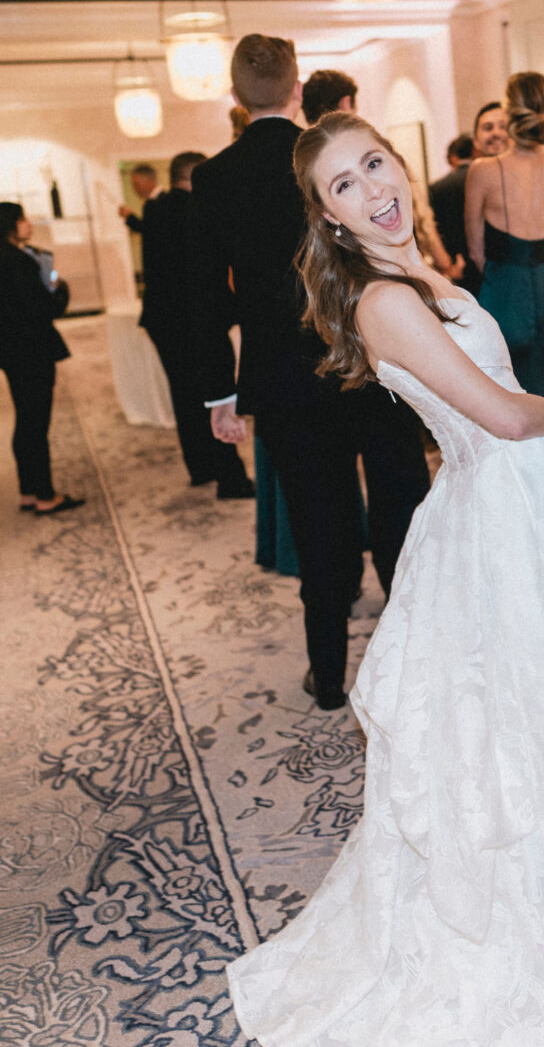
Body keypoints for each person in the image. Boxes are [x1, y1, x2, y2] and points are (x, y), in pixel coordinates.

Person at [226, 112, 544, 1047]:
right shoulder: (382, 300)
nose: (370, 188)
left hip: (524, 498)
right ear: (325, 216)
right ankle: (539, 920)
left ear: (399, 162)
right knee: (519, 726)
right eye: (342, 185)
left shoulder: (423, 274)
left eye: (373, 163)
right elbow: (503, 413)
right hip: (501, 502)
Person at [188, 35, 430, 711]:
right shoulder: (328, 157)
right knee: (400, 512)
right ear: (297, 90)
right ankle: (416, 663)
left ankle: (328, 676)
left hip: (287, 382)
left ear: (235, 98)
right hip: (374, 357)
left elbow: (205, 295)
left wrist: (220, 392)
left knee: (319, 530)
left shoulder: (213, 178)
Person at [139, 152, 253, 499]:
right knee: (213, 391)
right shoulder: (198, 209)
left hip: (161, 318)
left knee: (183, 394)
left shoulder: (154, 209)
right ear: (196, 176)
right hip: (194, 317)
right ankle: (230, 478)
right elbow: (206, 275)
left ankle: (200, 468)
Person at [465, 73, 544, 397]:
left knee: (508, 402)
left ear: (509, 113)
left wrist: (507, 276)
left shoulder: (482, 170)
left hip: (504, 298)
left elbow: (476, 251)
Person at [0, 202, 84, 515]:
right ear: (10, 224)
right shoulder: (20, 262)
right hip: (32, 349)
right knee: (35, 423)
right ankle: (46, 495)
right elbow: (42, 309)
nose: (28, 223)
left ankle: (28, 491)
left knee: (25, 420)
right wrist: (61, 291)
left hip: (11, 350)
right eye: (22, 218)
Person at [428, 133, 478, 294]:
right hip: (488, 260)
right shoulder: (485, 180)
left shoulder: (436, 187)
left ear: (453, 157)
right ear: (474, 152)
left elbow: (434, 228)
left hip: (456, 262)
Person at [118, 164, 160, 234]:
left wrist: (129, 216)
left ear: (150, 182)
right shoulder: (150, 201)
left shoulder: (162, 201)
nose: (135, 189)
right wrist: (129, 216)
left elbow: (150, 231)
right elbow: (147, 227)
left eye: (137, 184)